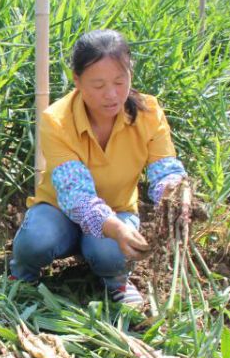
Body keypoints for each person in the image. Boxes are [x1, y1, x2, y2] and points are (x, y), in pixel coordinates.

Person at [9, 29, 187, 306]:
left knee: (111, 253)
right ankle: (22, 274)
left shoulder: (149, 113)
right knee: (36, 242)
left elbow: (164, 169)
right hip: (59, 212)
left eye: (120, 81)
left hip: (117, 208)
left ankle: (115, 280)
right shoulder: (57, 120)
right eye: (99, 85)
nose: (112, 95)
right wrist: (114, 228)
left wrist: (175, 197)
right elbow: (75, 194)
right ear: (76, 80)